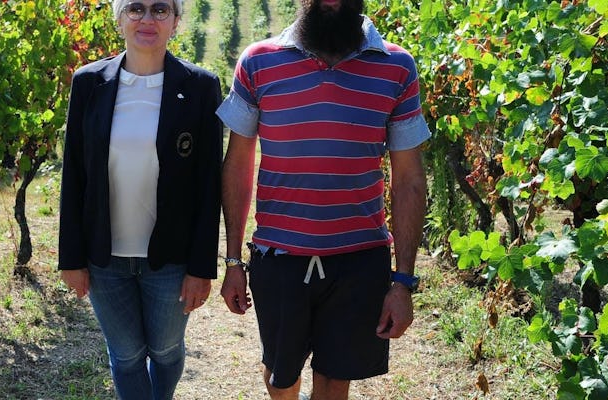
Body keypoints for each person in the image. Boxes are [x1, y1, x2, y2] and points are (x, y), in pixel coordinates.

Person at [215, 0, 429, 398]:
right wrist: (233, 262)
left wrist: (402, 281)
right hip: (279, 259)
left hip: (359, 261)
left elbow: (410, 180)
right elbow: (238, 167)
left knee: (335, 381)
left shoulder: (397, 67)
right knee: (281, 377)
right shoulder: (257, 62)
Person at [57, 0, 223, 398]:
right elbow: (74, 175)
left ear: (176, 21)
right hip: (105, 258)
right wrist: (72, 258)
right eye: (135, 9)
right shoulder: (88, 83)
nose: (147, 19)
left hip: (171, 258)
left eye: (160, 9)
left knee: (165, 351)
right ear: (119, 20)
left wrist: (202, 267)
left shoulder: (200, 87)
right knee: (127, 354)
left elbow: (208, 183)